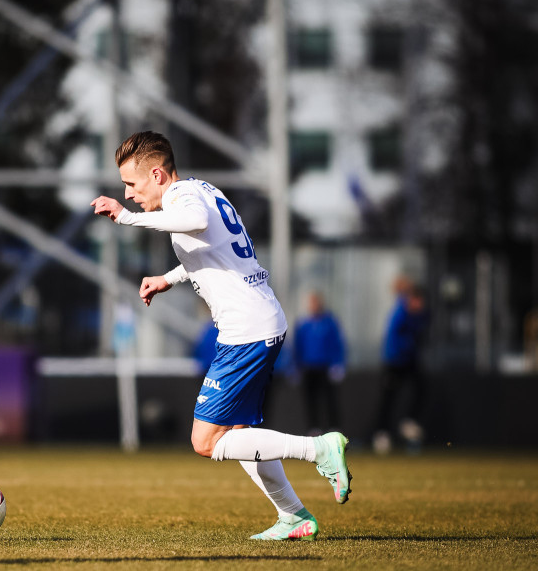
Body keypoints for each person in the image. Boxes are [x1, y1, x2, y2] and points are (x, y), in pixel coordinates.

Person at [91, 131, 352, 541]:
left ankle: (318, 449)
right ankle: (294, 517)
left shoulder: (181, 199)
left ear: (157, 174)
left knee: (205, 441)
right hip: (257, 322)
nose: (128, 192)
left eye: (131, 183)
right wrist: (167, 278)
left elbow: (193, 223)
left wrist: (126, 217)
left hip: (247, 329)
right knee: (239, 433)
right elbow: (213, 249)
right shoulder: (202, 189)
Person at [373, 278, 428, 454]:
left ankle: (409, 422)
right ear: (412, 299)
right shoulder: (400, 312)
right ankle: (382, 435)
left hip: (409, 360)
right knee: (388, 398)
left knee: (421, 388)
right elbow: (393, 338)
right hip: (394, 361)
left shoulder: (419, 314)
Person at [293, 291, 346, 434]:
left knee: (329, 400)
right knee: (311, 400)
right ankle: (313, 428)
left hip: (325, 367)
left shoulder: (329, 322)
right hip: (308, 368)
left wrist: (338, 363)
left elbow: (337, 344)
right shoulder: (303, 324)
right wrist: (296, 367)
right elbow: (298, 346)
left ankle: (333, 428)